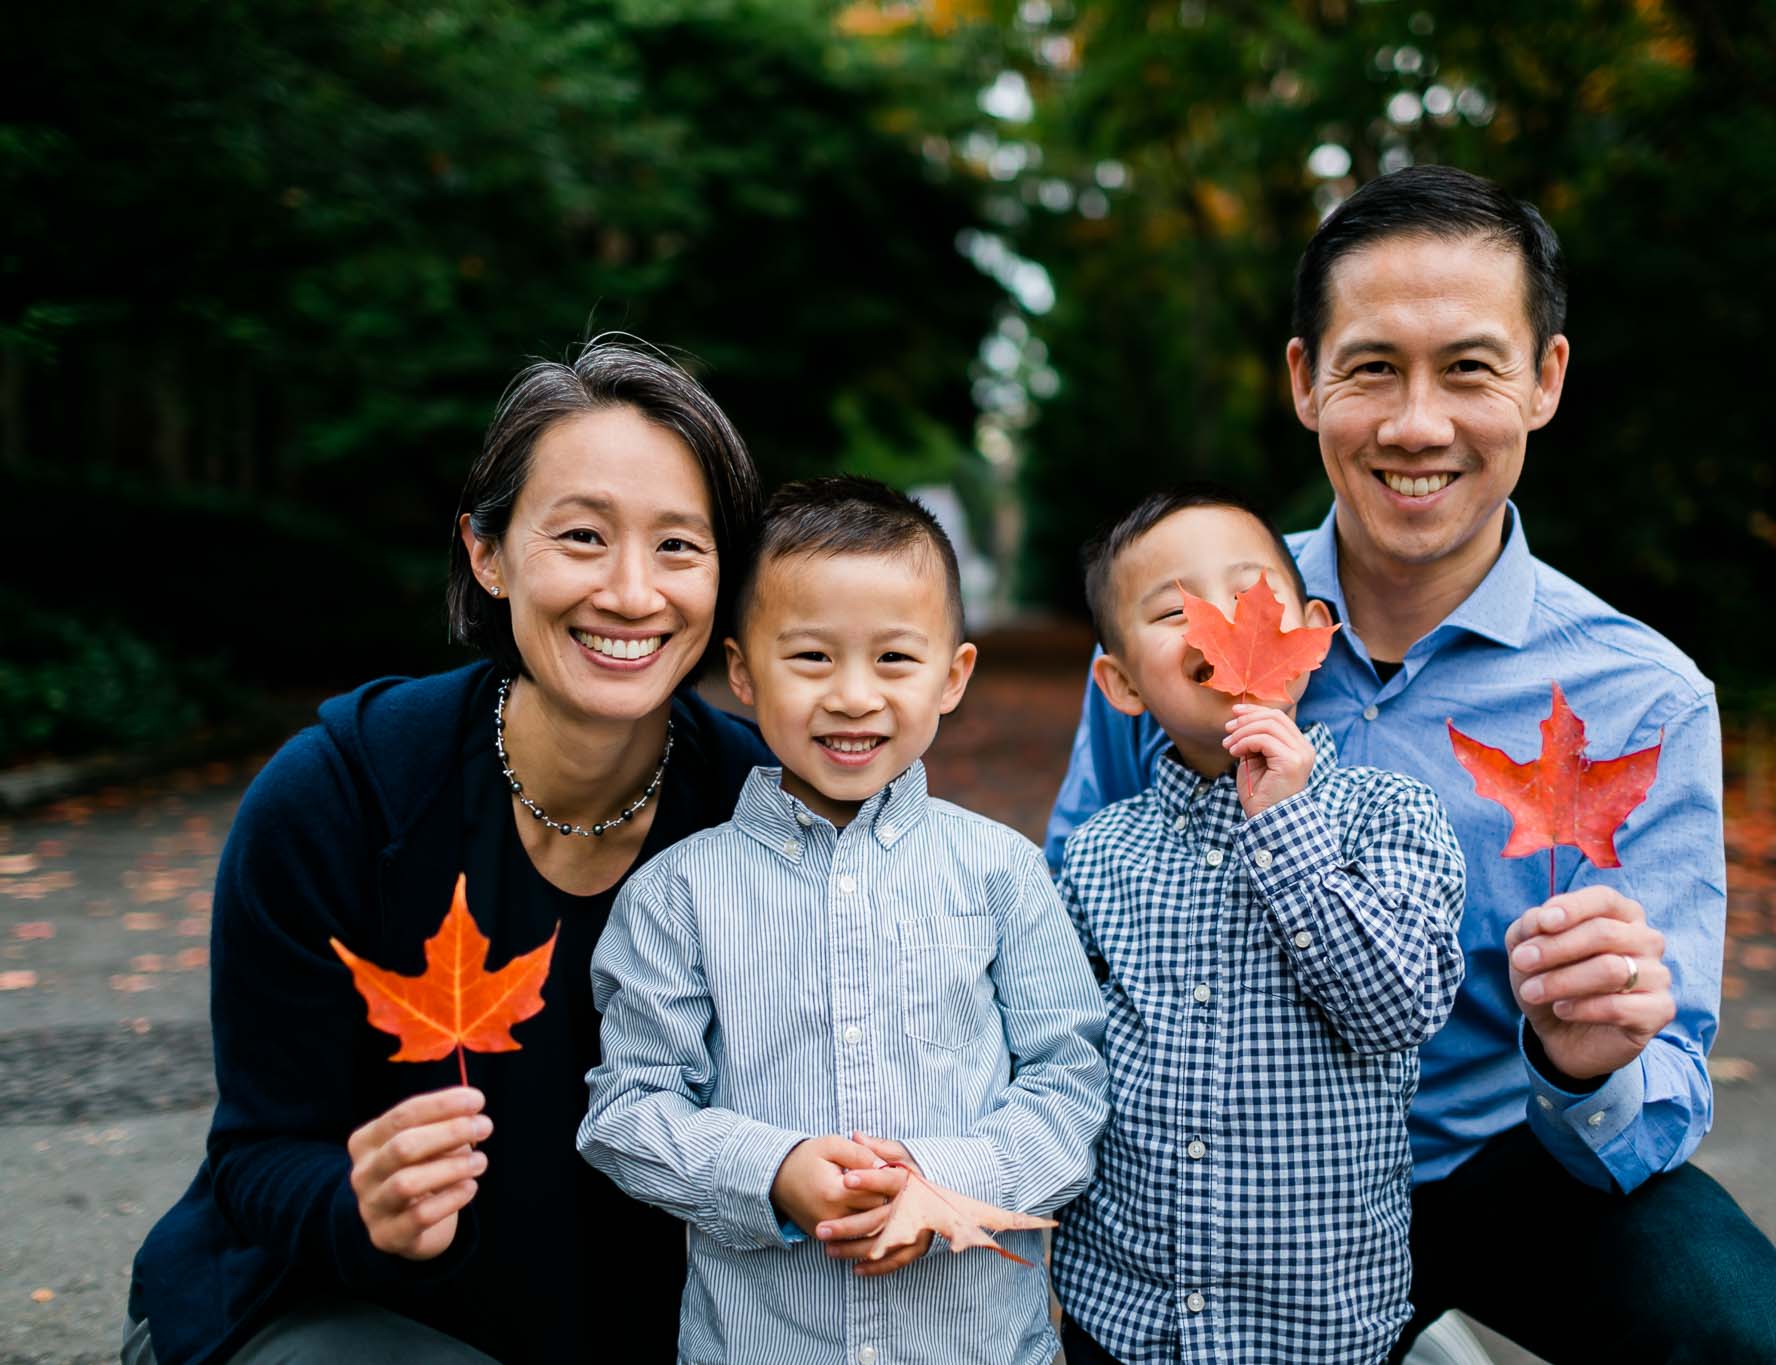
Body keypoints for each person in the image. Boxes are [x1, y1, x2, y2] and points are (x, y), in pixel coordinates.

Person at [1046, 166, 1776, 1362]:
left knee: (1734, 1331)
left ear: (1543, 380)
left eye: (1467, 367)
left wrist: (1582, 1070)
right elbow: (1067, 930)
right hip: (1229, 1176)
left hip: (1494, 1155)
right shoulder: (1187, 639)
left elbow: (1659, 1087)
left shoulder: (1642, 697)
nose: (1417, 425)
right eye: (1371, 368)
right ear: (1305, 382)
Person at [124, 339, 774, 1365]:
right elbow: (254, 1155)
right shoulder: (340, 794)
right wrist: (355, 1200)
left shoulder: (762, 815)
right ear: (488, 553)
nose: (632, 592)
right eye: (580, 536)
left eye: (680, 547)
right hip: (332, 1307)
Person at [578, 477, 1110, 1365]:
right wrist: (774, 1172)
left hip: (976, 1345)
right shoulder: (679, 893)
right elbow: (628, 1110)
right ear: (743, 671)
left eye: (895, 659)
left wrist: (941, 1183)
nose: (854, 695)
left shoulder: (1002, 872)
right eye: (813, 658)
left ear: (953, 674)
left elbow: (1070, 1084)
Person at [1050, 489, 1467, 1364]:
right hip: (1127, 1311)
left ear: (1312, 630)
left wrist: (1287, 827)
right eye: (1173, 610)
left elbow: (1398, 1006)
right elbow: (1059, 1053)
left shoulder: (1388, 815)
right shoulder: (1098, 856)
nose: (1218, 623)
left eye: (1249, 593)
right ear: (1121, 682)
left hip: (1317, 1316)